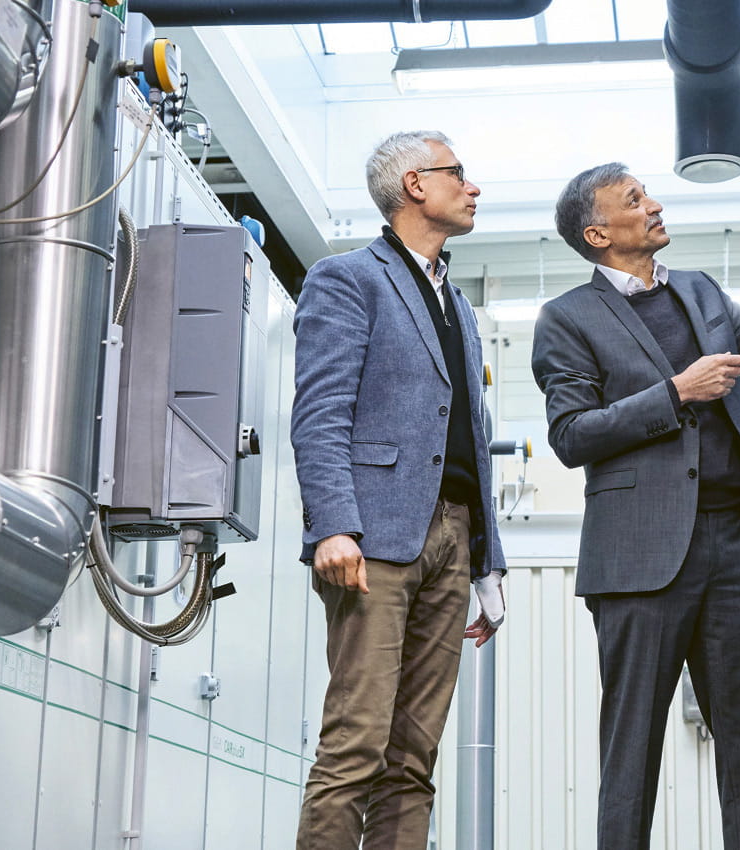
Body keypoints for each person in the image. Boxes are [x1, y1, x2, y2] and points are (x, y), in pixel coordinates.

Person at [532, 162, 740, 848]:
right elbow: (571, 436)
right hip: (638, 559)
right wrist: (677, 391)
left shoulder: (699, 290)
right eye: (636, 200)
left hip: (733, 549)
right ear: (598, 232)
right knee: (631, 750)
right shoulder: (566, 319)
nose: (655, 204)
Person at [291, 130, 505, 850]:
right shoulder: (347, 277)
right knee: (357, 746)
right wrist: (332, 526)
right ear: (414, 184)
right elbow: (320, 412)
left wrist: (488, 560)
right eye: (459, 175)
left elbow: (471, 434)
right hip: (373, 537)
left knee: (413, 763)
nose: (472, 188)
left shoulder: (460, 306)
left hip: (452, 537)